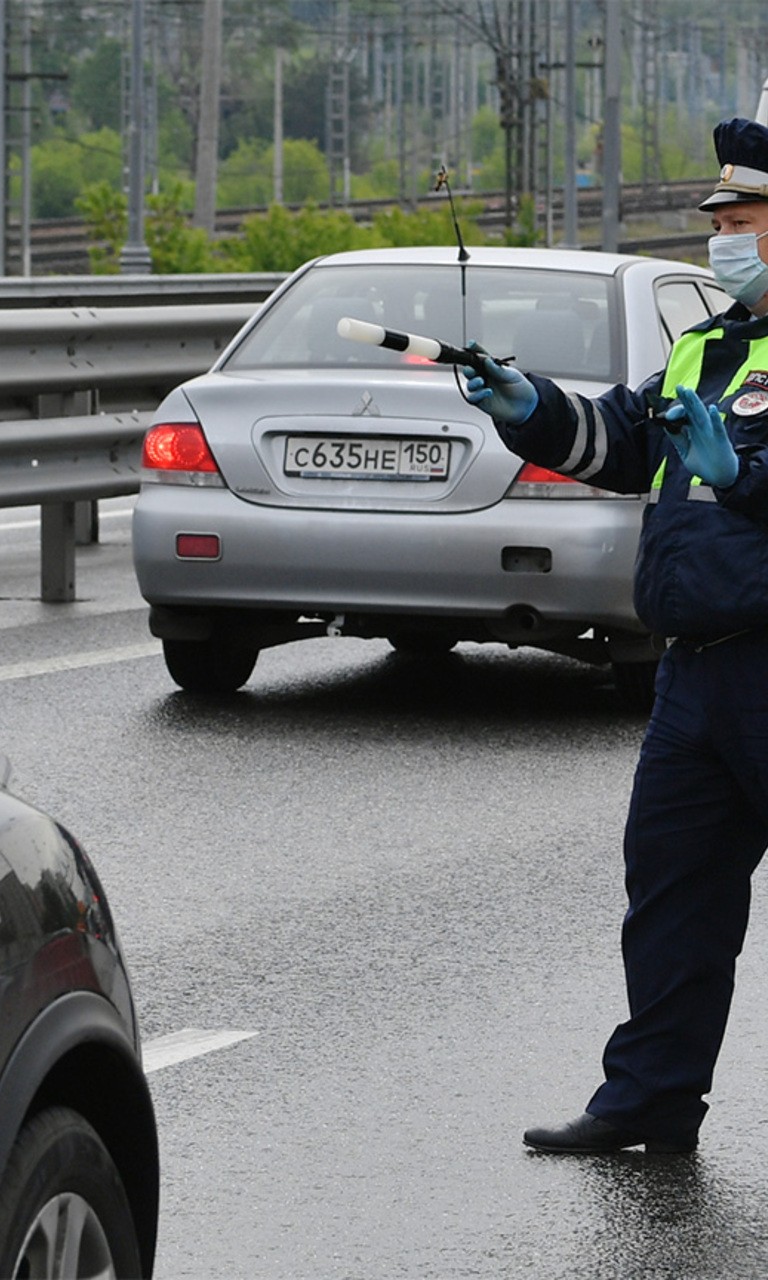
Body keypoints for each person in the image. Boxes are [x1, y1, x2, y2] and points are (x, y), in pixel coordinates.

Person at [464, 117, 768, 1155]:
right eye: (717, 218)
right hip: (697, 672)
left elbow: (736, 477)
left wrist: (743, 475)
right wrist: (528, 408)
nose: (720, 235)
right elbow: (621, 440)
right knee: (669, 896)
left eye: (739, 217)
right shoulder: (710, 340)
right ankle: (647, 1097)